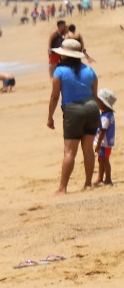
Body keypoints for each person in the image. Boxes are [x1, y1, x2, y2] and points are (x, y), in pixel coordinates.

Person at [47, 38, 100, 194]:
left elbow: (54, 96)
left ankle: (63, 188)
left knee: (70, 151)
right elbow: (95, 95)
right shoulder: (90, 71)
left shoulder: (60, 71)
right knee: (88, 148)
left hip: (73, 110)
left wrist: (50, 117)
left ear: (64, 55)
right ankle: (88, 183)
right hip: (91, 108)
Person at [94, 89, 116, 187]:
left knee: (105, 159)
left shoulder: (106, 116)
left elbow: (103, 130)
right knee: (101, 159)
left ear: (104, 103)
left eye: (98, 101)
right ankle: (100, 178)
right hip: (105, 142)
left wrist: (98, 143)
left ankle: (108, 179)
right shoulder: (107, 114)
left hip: (104, 143)